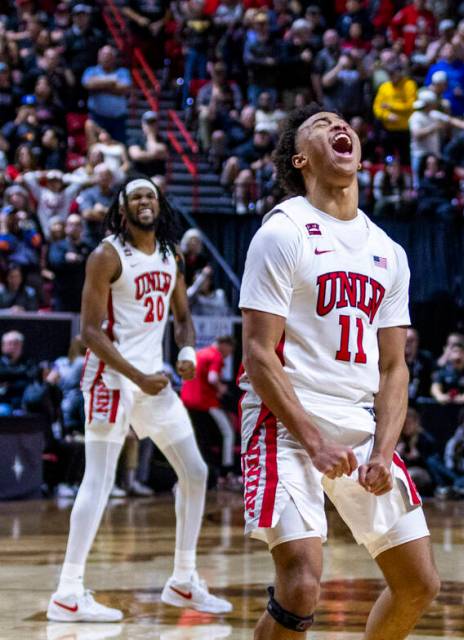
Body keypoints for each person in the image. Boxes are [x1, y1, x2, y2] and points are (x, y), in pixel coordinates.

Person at [239, 106, 439, 639]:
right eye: (322, 124)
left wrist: (381, 450)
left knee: (418, 584)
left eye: (343, 122)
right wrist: (314, 440)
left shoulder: (387, 251)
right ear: (301, 158)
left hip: (356, 418)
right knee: (301, 585)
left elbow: (395, 367)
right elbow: (259, 354)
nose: (339, 126)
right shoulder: (282, 233)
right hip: (285, 418)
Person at [48, 177, 231, 621]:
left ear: (159, 203)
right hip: (111, 379)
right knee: (99, 481)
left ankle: (184, 581)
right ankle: (68, 592)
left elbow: (183, 318)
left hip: (153, 381)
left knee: (195, 471)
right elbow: (89, 332)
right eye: (135, 198)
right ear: (123, 208)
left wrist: (186, 352)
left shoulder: (171, 256)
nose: (144, 203)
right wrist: (137, 375)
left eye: (150, 195)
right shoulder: (106, 255)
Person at [180, 336, 237, 484]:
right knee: (228, 433)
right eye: (229, 351)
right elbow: (212, 378)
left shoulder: (198, 354)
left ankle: (198, 473)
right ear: (224, 345)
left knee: (200, 439)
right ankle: (226, 472)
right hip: (205, 402)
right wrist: (221, 389)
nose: (228, 355)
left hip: (187, 402)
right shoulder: (215, 356)